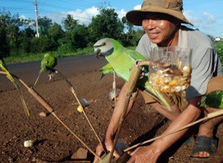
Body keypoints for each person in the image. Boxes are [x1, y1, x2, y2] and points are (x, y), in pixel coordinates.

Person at [93, 0, 223, 162]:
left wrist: (155, 149)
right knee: (145, 83)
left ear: (176, 20)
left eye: (158, 18)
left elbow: (196, 104)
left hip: (205, 98)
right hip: (181, 93)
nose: (149, 26)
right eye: (146, 18)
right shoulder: (147, 43)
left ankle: (206, 128)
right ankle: (186, 128)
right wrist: (108, 136)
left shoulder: (200, 44)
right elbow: (129, 89)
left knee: (218, 86)